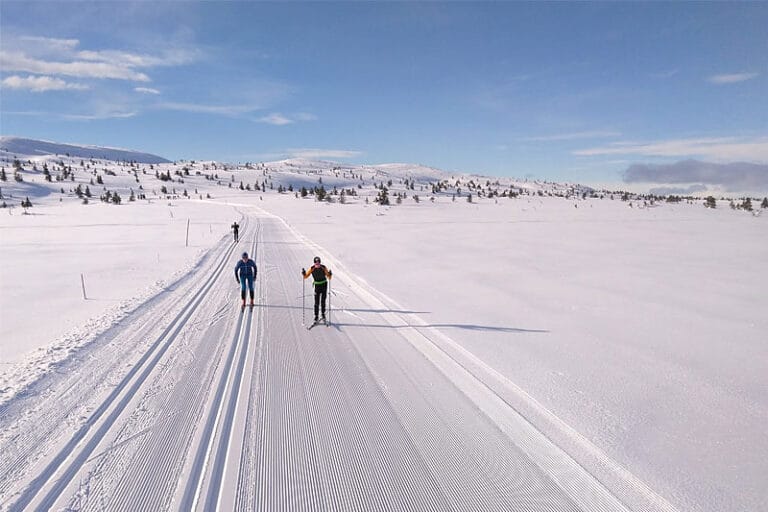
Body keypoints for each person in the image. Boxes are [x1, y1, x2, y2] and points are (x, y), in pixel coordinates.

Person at [302, 256, 332, 323]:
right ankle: (316, 316)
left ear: (320, 263)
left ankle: (323, 314)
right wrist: (304, 273)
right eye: (316, 264)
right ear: (314, 263)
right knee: (316, 302)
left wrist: (330, 274)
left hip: (324, 285)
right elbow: (306, 276)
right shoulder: (312, 268)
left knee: (323, 301)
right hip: (317, 286)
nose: (317, 265)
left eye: (318, 264)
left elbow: (329, 277)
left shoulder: (323, 267)